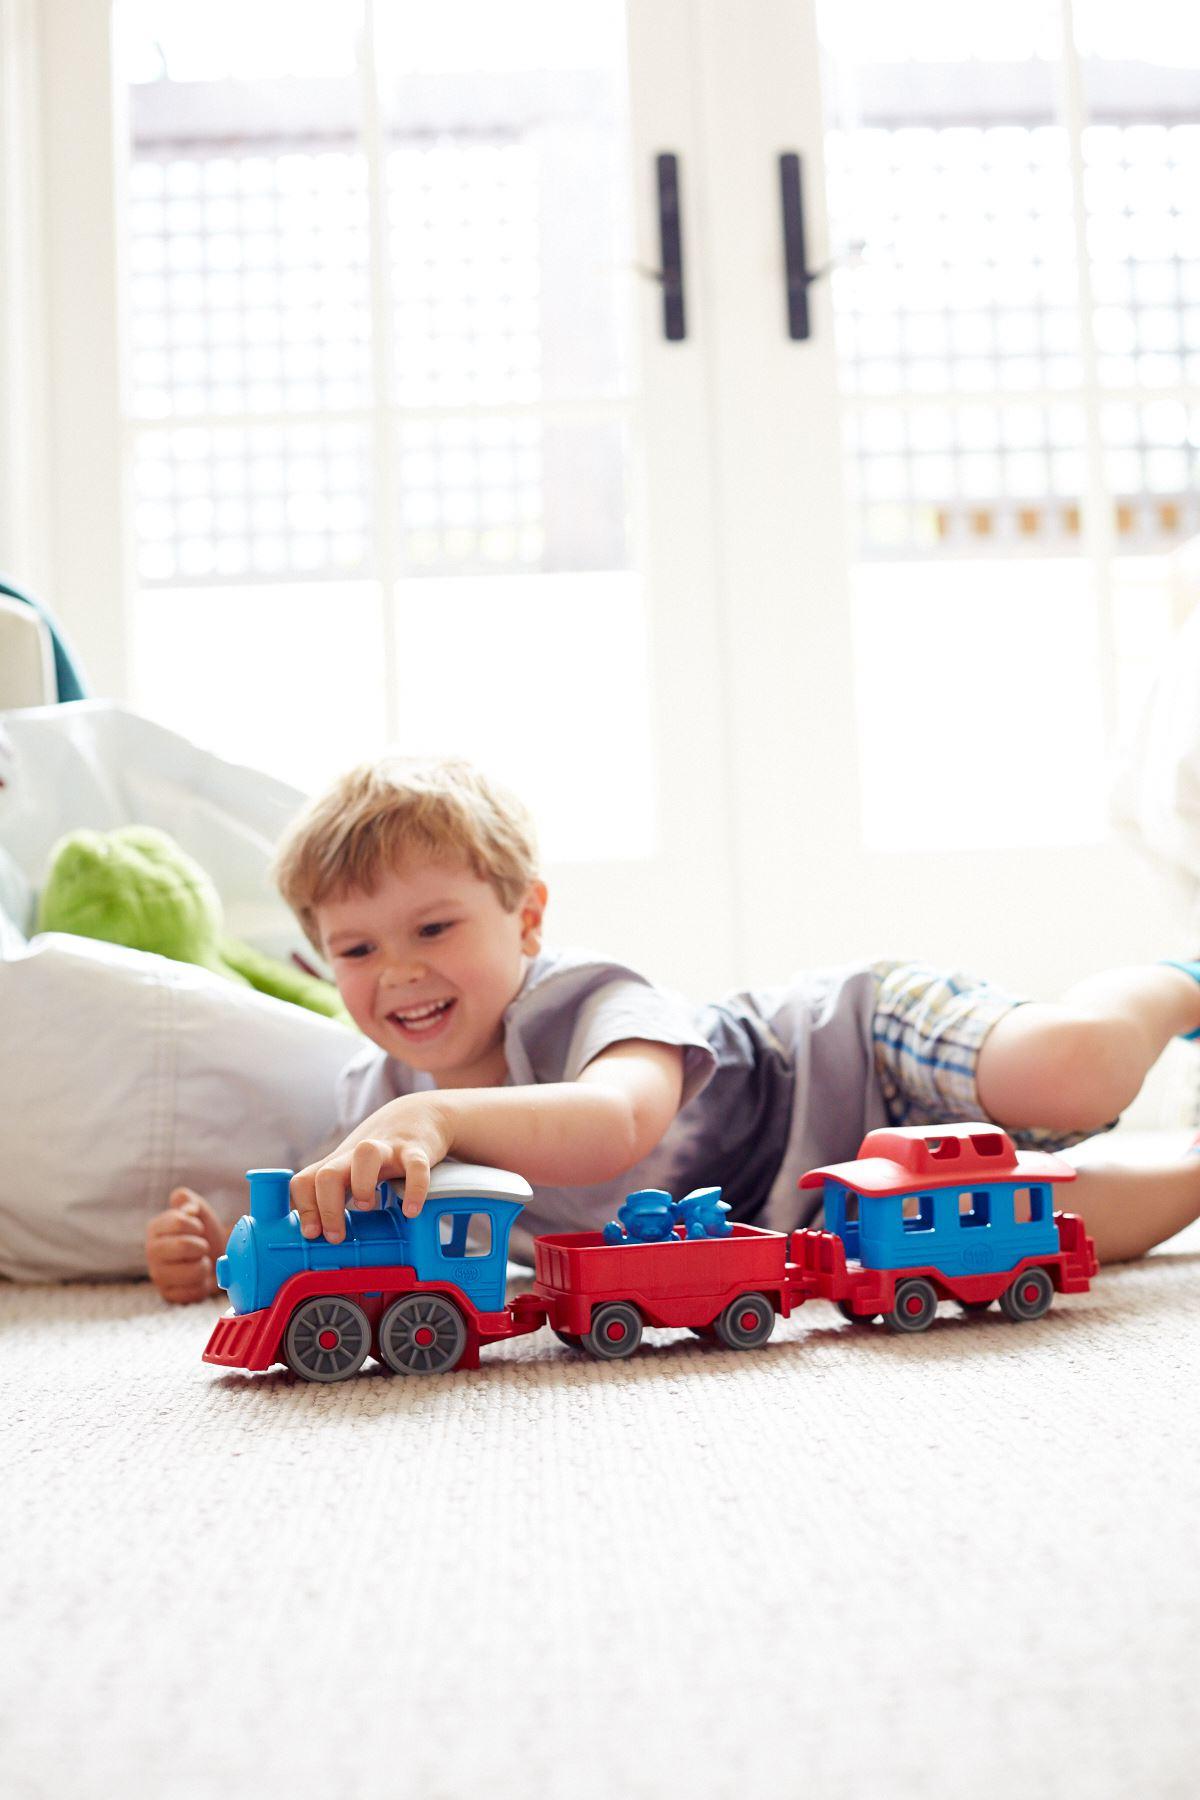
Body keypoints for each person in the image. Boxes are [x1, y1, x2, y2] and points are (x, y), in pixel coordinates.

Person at [146, 755, 1200, 1303]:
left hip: (857, 1049)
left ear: (528, 918)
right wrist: (223, 1253)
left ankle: (1179, 984)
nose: (401, 972)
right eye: (358, 949)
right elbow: (354, 1228)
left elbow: (614, 1124)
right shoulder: (380, 1103)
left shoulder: (598, 1000)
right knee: (1041, 1235)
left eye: (434, 926)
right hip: (830, 1211)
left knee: (1074, 1074)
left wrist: (434, 1116)